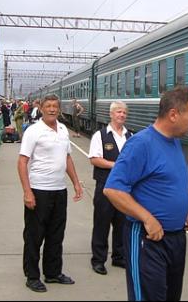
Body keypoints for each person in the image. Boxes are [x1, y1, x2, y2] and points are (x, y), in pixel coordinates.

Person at [103, 86, 188, 301]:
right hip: (148, 239)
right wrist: (147, 218)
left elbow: (171, 182)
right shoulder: (141, 143)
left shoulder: (175, 142)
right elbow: (113, 189)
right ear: (173, 114)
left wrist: (185, 210)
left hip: (176, 238)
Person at [17, 95, 84, 293]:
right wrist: (27, 192)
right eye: (48, 106)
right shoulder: (34, 131)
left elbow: (67, 158)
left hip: (59, 190)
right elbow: (22, 162)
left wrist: (76, 183)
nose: (52, 109)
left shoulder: (63, 129)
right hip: (39, 190)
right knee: (34, 235)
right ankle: (32, 276)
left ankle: (53, 273)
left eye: (55, 106)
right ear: (42, 108)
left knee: (56, 234)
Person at [88, 101, 132, 275]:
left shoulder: (130, 136)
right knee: (102, 223)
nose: (122, 115)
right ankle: (98, 260)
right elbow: (94, 159)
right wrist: (116, 165)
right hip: (105, 186)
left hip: (124, 189)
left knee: (122, 224)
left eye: (124, 113)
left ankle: (119, 257)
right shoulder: (100, 135)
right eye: (119, 112)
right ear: (111, 114)